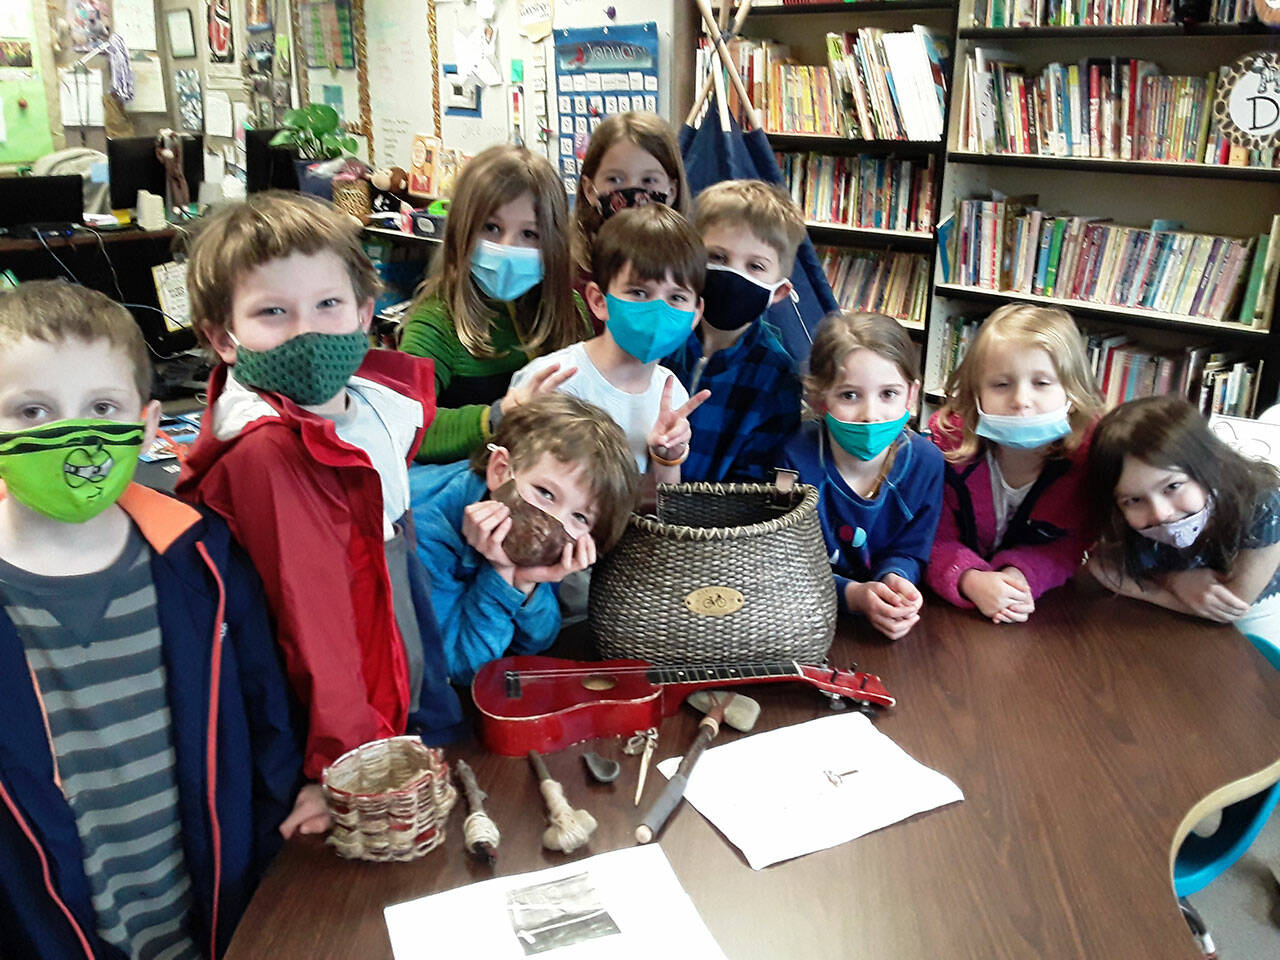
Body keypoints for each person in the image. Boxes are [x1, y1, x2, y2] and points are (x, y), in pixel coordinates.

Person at [0, 281, 303, 960]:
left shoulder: (202, 562)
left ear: (145, 425)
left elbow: (267, 719)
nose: (73, 434)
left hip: (217, 922)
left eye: (102, 407)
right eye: (32, 410)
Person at [176, 191, 464, 796]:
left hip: (398, 659)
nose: (306, 331)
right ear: (224, 338)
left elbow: (397, 559)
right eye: (272, 312)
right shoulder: (265, 456)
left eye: (327, 304)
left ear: (364, 314)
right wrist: (348, 767)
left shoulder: (378, 406)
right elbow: (315, 628)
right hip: (336, 733)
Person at [410, 393, 640, 682]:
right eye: (545, 493)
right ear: (501, 471)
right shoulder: (427, 530)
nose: (552, 523)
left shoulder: (530, 537)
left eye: (580, 517)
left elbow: (536, 643)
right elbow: (459, 668)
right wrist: (500, 573)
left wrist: (525, 581)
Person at [399, 145, 588, 463]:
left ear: (554, 243)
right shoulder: (436, 321)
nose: (507, 248)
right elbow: (408, 424)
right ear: (461, 230)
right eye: (491, 228)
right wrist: (497, 417)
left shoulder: (571, 310)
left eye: (530, 234)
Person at [927, 303, 1103, 624]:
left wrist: (1021, 575)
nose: (1021, 400)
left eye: (1042, 383)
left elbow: (1070, 544)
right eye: (1001, 384)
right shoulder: (946, 451)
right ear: (976, 395)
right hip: (948, 613)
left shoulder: (1086, 461)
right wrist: (968, 577)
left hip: (1040, 614)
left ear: (1072, 393)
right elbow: (930, 535)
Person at [510, 204, 710, 483]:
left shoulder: (672, 393)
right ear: (598, 301)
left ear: (695, 314)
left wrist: (666, 455)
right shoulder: (550, 381)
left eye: (676, 298)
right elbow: (510, 483)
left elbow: (665, 499)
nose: (658, 311)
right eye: (639, 292)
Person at [782, 312, 943, 640]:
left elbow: (911, 549)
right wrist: (853, 595)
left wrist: (896, 579)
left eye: (889, 394)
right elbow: (783, 562)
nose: (871, 415)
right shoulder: (792, 459)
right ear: (820, 398)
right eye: (849, 395)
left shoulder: (926, 463)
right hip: (804, 620)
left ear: (911, 395)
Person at [1087, 395, 1280, 657]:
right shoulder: (1128, 524)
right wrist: (1175, 582)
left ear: (1209, 466)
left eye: (1173, 486)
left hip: (1263, 628)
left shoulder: (1264, 506)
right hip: (1191, 636)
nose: (1161, 513)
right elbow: (1101, 565)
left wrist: (1159, 585)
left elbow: (1232, 605)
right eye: (1134, 500)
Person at [665, 179, 804, 482]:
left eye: (755, 266)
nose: (733, 275)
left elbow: (753, 485)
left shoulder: (777, 378)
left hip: (713, 512)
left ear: (779, 291)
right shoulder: (661, 339)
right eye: (717, 258)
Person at [572, 111, 691, 309]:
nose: (634, 194)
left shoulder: (687, 269)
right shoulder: (571, 275)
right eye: (615, 179)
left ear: (671, 191)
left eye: (649, 180)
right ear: (590, 190)